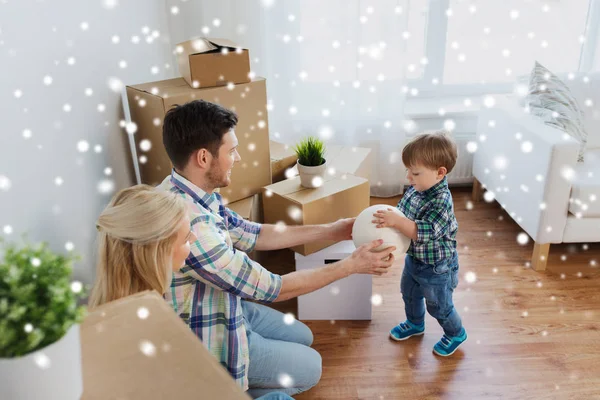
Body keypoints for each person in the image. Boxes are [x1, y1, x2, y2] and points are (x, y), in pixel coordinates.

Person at [158, 100, 396, 398]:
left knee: (304, 336)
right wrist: (351, 265)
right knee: (312, 369)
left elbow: (252, 234)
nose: (238, 157)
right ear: (204, 158)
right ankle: (226, 387)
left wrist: (331, 229)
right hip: (214, 337)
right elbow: (275, 289)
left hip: (230, 306)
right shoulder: (193, 227)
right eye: (231, 151)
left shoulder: (188, 189)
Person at [88, 185, 295, 400]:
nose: (195, 240)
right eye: (187, 238)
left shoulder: (114, 312)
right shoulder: (150, 332)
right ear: (160, 253)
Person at [372, 131, 467, 357]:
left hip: (437, 268)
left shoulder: (441, 201)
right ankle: (415, 323)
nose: (409, 178)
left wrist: (398, 221)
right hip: (415, 260)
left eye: (415, 172)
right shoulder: (418, 189)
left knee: (439, 306)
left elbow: (422, 231)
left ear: (440, 172)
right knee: (410, 293)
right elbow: (402, 213)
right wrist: (391, 224)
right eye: (408, 171)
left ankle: (455, 333)